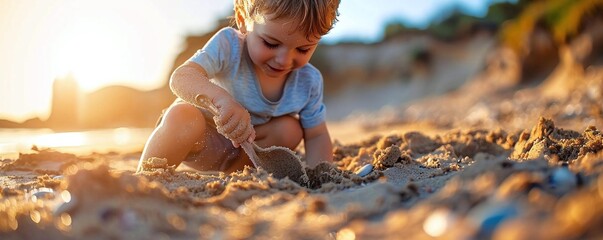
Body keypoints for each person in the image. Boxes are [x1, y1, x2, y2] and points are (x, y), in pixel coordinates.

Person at [136, 0, 340, 173]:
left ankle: (245, 174)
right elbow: (181, 77)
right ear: (243, 20)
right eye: (270, 43)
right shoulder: (229, 45)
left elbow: (317, 134)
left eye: (303, 49)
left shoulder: (309, 81)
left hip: (248, 153)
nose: (284, 60)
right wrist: (221, 99)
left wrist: (320, 174)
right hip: (200, 140)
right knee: (183, 115)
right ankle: (147, 176)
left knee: (291, 129)